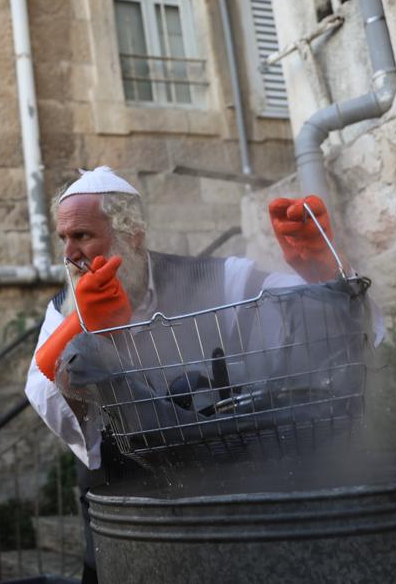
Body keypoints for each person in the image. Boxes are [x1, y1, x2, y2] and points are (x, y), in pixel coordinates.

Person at [25, 166, 353, 583]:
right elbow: (47, 398)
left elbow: (308, 319)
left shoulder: (213, 279)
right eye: (63, 239)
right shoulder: (63, 310)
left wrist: (323, 274)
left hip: (221, 518)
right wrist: (84, 328)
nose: (70, 253)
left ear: (132, 234)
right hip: (124, 526)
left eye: (83, 236)